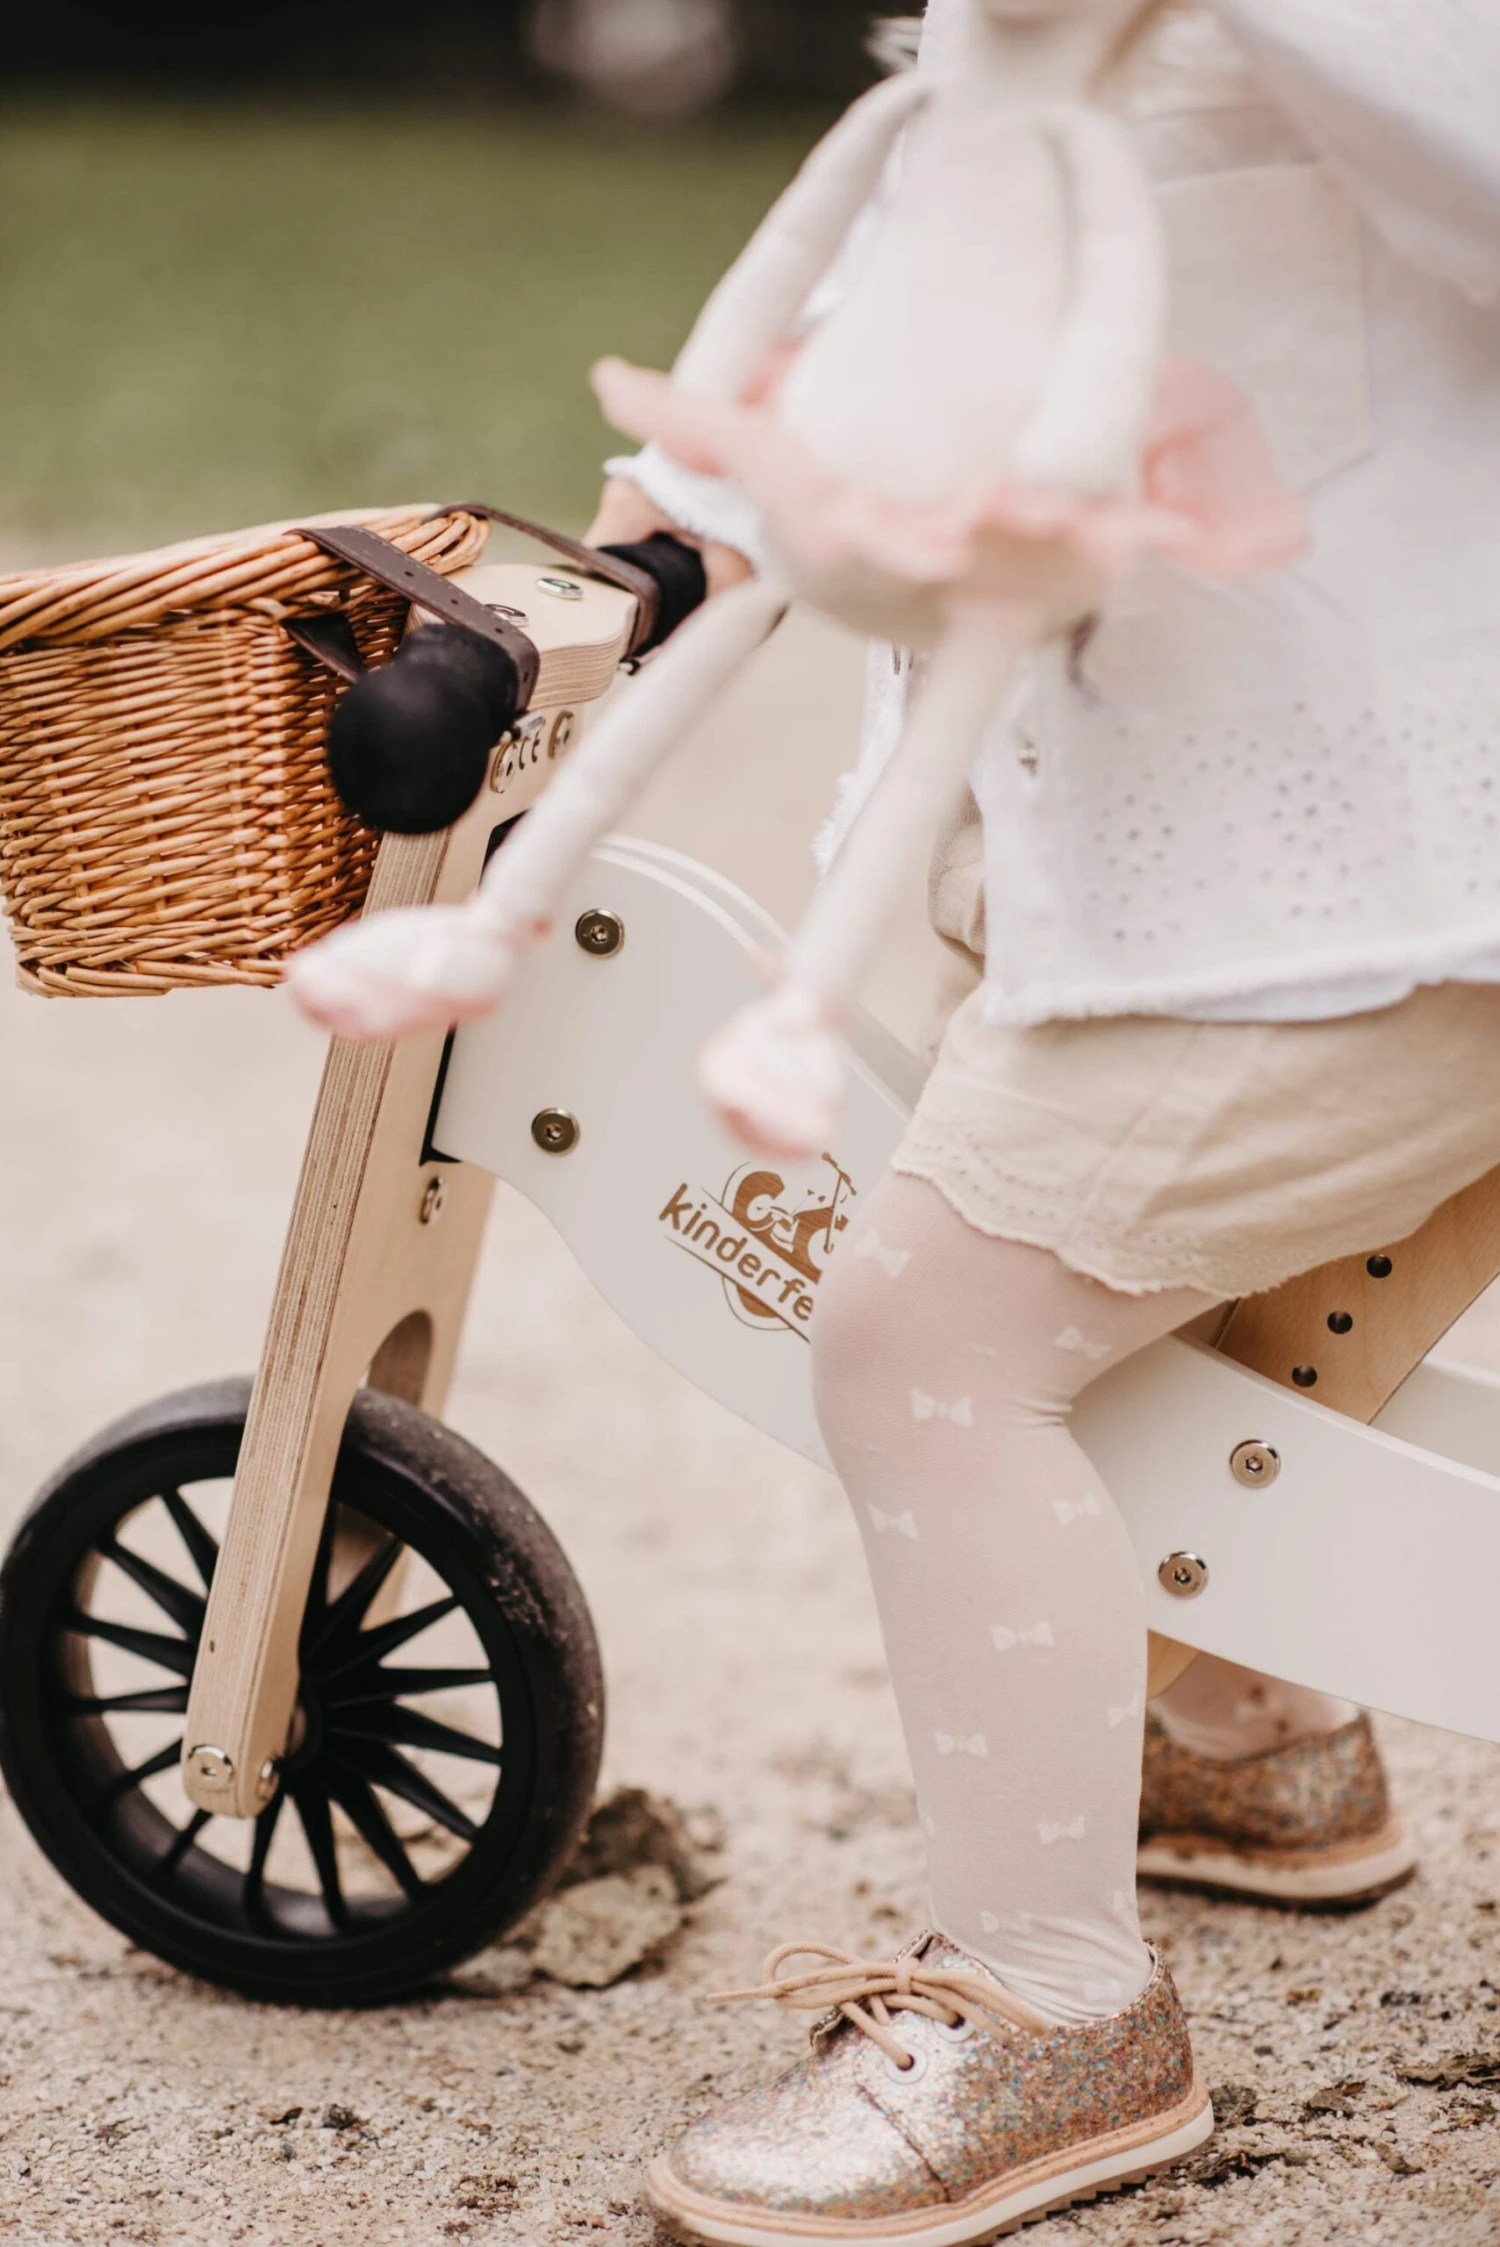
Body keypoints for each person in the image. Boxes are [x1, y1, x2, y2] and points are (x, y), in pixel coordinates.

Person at [584, 2, 1500, 2238]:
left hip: (1376, 887)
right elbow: (930, 247)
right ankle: (1249, 1731)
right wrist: (667, 524)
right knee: (1163, 1295)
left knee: (933, 1340)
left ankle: (1055, 2006)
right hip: (1198, 851)